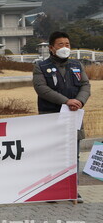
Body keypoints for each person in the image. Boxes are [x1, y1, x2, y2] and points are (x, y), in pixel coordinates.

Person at [32, 31, 90, 203]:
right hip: (50, 115)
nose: (65, 48)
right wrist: (66, 101)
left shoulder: (77, 65)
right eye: (60, 44)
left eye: (67, 44)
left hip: (74, 115)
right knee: (51, 153)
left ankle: (73, 189)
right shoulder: (40, 67)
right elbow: (42, 89)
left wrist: (79, 101)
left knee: (74, 154)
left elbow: (85, 85)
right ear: (51, 48)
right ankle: (52, 190)